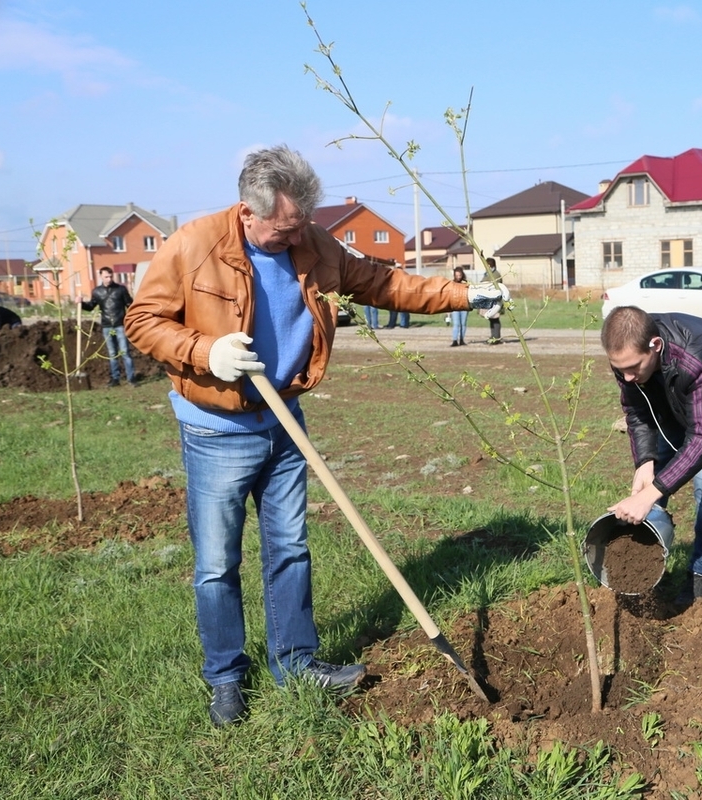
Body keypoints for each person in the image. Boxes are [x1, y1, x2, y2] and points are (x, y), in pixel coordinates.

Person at [124, 144, 507, 728]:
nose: (293, 237)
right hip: (217, 430)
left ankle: (295, 661)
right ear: (247, 213)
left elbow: (381, 284)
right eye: (282, 229)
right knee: (216, 564)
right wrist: (206, 352)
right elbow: (143, 322)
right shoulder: (194, 246)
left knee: (290, 549)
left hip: (284, 424)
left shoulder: (314, 243)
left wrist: (463, 294)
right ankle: (226, 677)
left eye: (300, 224)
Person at [601, 306, 702, 606]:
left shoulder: (697, 356)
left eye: (633, 367)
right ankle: (646, 561)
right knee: (660, 462)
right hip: (676, 382)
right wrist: (644, 462)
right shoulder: (628, 358)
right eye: (619, 368)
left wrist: (652, 493)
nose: (626, 376)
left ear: (656, 345)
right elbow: (637, 411)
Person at [81, 266, 137, 387]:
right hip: (107, 326)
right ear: (101, 276)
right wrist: (80, 303)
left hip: (120, 325)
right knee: (112, 353)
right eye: (106, 276)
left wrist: (132, 319)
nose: (109, 278)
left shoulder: (120, 290)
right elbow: (91, 306)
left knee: (125, 352)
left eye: (111, 276)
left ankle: (131, 378)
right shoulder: (97, 291)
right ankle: (115, 379)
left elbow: (130, 304)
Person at [482, 258, 503, 344]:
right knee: (491, 319)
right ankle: (493, 336)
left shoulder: (496, 274)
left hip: (495, 301)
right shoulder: (487, 274)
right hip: (488, 300)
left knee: (495, 319)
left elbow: (495, 285)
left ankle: (497, 338)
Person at [450, 267, 469, 346]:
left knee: (463, 323)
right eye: (456, 275)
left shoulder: (466, 283)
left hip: (464, 305)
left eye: (459, 275)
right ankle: (455, 340)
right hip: (455, 306)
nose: (458, 277)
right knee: (456, 324)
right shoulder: (452, 284)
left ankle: (461, 339)